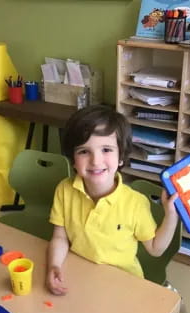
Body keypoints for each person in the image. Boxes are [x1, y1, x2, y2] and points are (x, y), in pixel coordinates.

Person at [46, 105, 179, 295]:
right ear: (73, 160)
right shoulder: (64, 190)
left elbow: (155, 249)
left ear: (121, 157)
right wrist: (54, 266)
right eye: (84, 151)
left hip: (124, 286)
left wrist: (171, 214)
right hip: (80, 277)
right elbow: (60, 237)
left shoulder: (135, 203)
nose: (95, 161)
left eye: (106, 149)